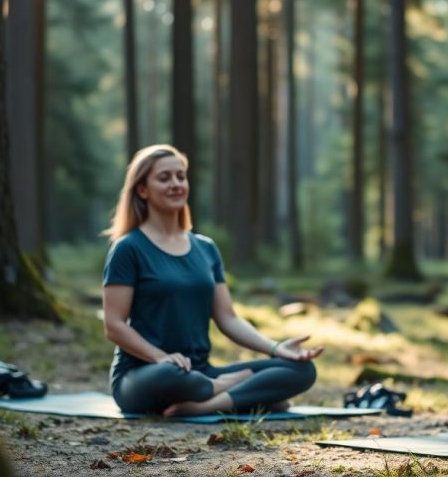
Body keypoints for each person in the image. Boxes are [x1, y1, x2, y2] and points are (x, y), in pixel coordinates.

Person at [101, 144, 323, 416]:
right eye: (164, 178)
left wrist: (276, 348)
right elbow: (113, 325)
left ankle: (209, 404)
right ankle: (245, 394)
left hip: (199, 372)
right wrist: (161, 357)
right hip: (146, 374)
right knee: (175, 376)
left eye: (180, 176)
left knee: (301, 369)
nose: (175, 184)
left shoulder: (206, 248)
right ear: (142, 189)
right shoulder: (128, 248)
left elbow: (228, 319)